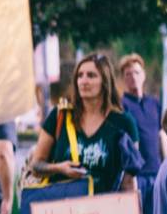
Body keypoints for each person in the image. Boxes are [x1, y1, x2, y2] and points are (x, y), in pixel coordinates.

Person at [30, 53, 140, 194]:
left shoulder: (124, 123)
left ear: (105, 81)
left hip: (106, 209)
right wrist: (59, 168)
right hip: (61, 210)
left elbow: (129, 181)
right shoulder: (60, 115)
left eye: (91, 75)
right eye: (79, 76)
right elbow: (36, 165)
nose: (83, 81)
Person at [119, 54, 167, 214]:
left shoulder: (154, 103)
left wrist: (165, 164)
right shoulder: (122, 105)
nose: (133, 77)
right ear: (123, 78)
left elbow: (161, 135)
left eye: (136, 72)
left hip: (155, 171)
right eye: (128, 74)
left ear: (144, 75)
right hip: (135, 175)